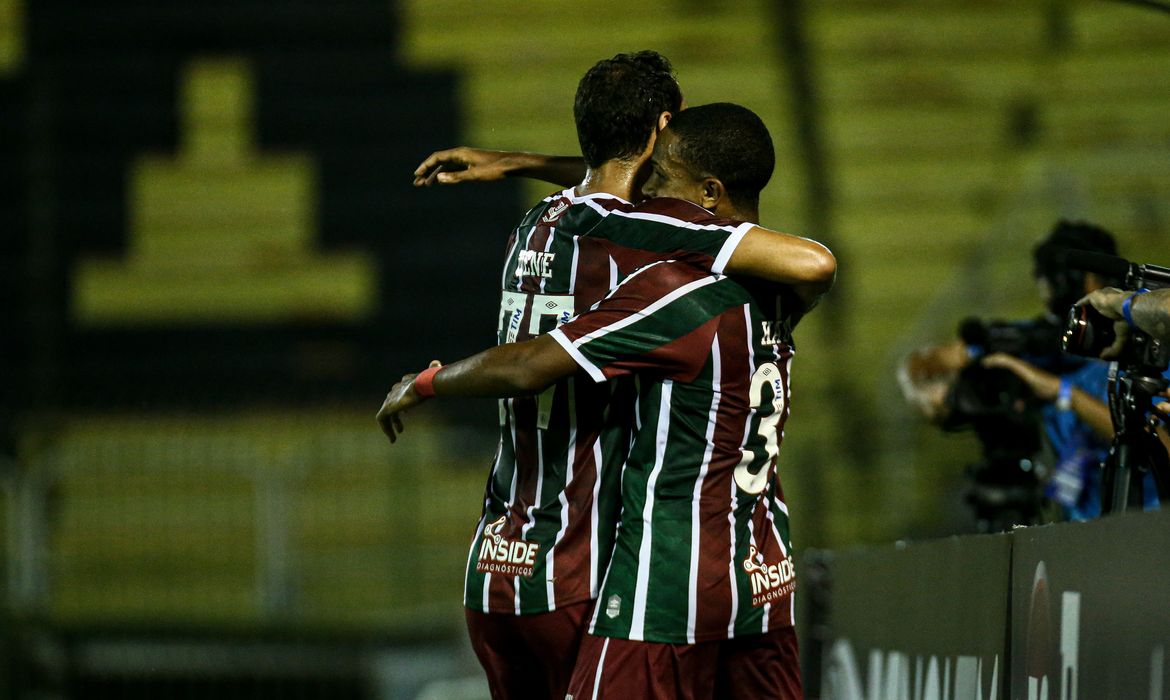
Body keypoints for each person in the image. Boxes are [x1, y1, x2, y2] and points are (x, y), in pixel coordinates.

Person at [404, 52, 831, 700]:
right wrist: (517, 162)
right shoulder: (765, 290)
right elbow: (801, 258)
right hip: (739, 568)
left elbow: (528, 361)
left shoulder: (572, 243)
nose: (656, 186)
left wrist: (427, 382)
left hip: (605, 572)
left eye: (668, 178)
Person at [901, 221, 1152, 522]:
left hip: (1147, 523)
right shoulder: (1039, 343)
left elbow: (1151, 441)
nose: (1045, 292)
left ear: (1085, 280)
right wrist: (937, 387)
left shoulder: (1144, 346)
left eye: (1051, 279)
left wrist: (1062, 392)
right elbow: (927, 366)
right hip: (1082, 528)